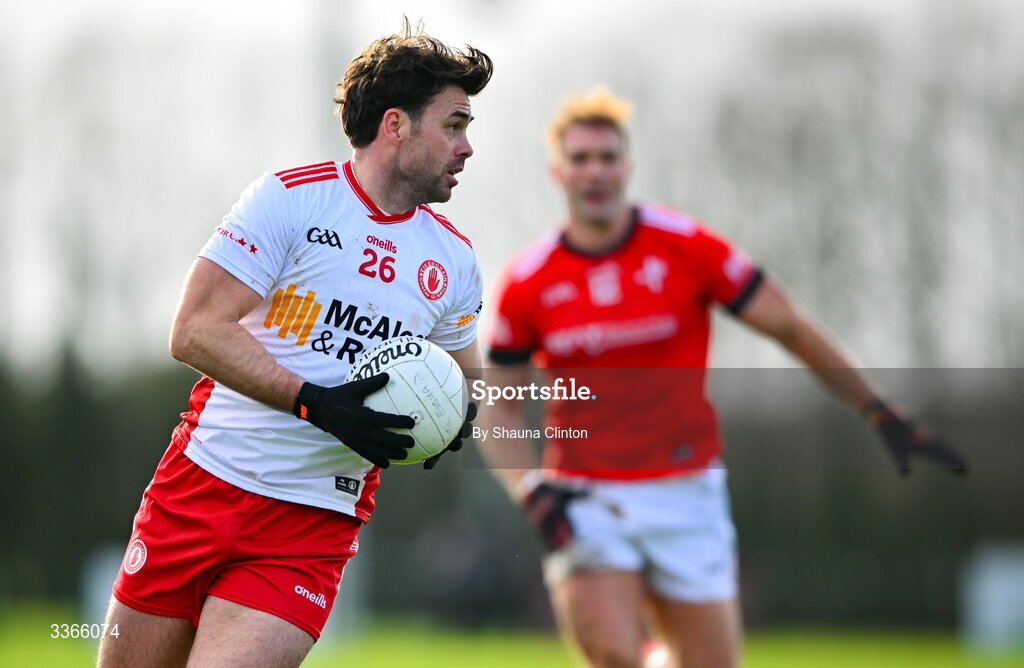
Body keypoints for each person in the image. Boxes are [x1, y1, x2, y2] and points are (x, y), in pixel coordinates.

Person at [480, 89, 966, 668]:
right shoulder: (527, 281)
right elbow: (499, 406)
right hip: (586, 495)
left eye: (607, 157)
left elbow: (787, 326)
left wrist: (877, 409)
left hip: (687, 490)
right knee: (612, 653)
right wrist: (531, 490)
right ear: (558, 172)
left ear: (627, 168)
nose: (595, 171)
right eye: (581, 159)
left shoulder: (685, 245)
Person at [98, 25, 492, 668]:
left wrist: (447, 422)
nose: (467, 147)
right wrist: (314, 401)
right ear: (395, 125)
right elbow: (195, 329)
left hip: (312, 523)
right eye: (454, 125)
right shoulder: (291, 198)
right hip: (200, 486)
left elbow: (465, 382)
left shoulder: (454, 258)